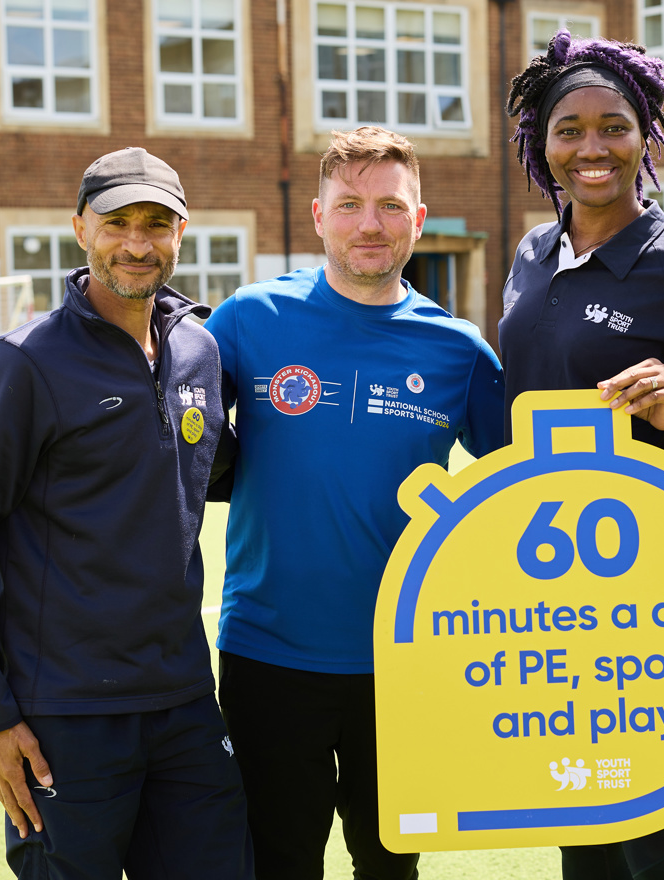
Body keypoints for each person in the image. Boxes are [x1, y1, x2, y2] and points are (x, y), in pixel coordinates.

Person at [0, 147, 252, 879]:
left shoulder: (199, 351)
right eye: (118, 223)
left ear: (182, 230)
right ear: (81, 227)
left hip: (183, 702)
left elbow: (225, 469)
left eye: (156, 223)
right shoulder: (23, 365)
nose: (137, 243)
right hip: (65, 716)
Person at [204, 126, 505, 879]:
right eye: (349, 205)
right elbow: (172, 434)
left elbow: (524, 485)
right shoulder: (247, 321)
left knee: (390, 863)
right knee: (278, 861)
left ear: (419, 218)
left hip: (405, 657)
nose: (369, 224)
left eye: (389, 206)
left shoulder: (458, 349)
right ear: (316, 216)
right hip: (268, 655)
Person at [500, 30, 664, 880]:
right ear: (541, 145)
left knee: (654, 822)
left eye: (614, 125)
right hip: (546, 575)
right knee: (577, 806)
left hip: (645, 575)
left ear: (647, 135)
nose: (591, 147)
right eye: (568, 129)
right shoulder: (531, 254)